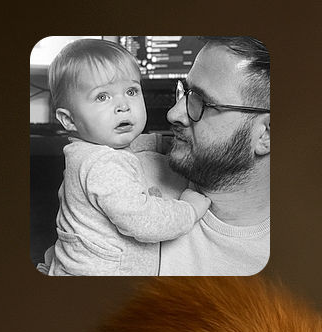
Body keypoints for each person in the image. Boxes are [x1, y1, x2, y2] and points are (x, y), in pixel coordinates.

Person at [40, 39, 210, 276]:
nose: (123, 105)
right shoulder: (103, 166)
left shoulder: (88, 149)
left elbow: (126, 148)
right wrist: (189, 210)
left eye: (131, 91)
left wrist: (162, 143)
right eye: (102, 97)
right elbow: (142, 220)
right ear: (68, 120)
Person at [156, 37, 270, 276]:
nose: (174, 114)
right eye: (184, 93)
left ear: (266, 134)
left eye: (202, 103)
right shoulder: (125, 177)